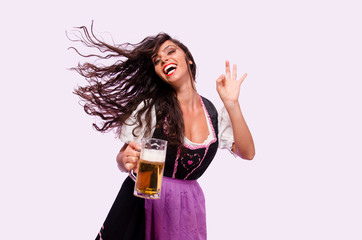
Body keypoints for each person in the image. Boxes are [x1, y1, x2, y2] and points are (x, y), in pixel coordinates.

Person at [69, 23, 255, 240]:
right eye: (157, 61)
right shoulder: (150, 108)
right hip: (142, 200)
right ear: (158, 73)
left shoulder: (213, 113)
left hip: (185, 209)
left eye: (171, 52)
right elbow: (123, 157)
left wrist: (232, 104)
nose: (164, 60)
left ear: (189, 59)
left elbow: (247, 152)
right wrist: (124, 159)